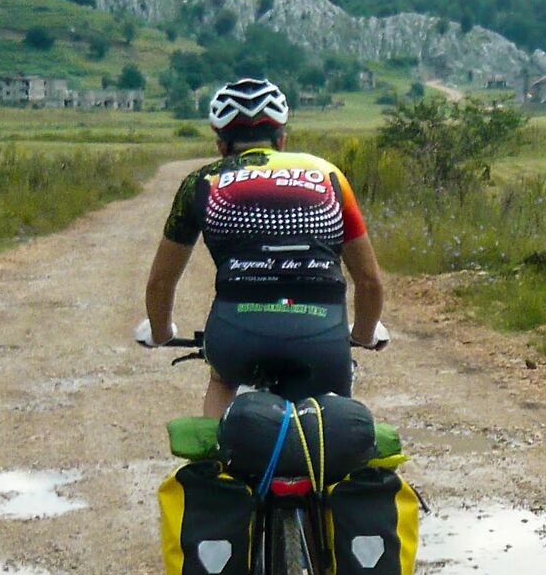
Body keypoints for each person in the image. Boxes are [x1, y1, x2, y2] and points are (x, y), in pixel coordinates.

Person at [139, 77, 386, 418]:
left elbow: (160, 283)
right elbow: (370, 282)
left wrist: (161, 333)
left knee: (223, 379)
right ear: (281, 140)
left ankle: (217, 448)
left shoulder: (201, 181)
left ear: (221, 145)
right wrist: (363, 335)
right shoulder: (329, 175)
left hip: (237, 335)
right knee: (334, 413)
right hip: (322, 335)